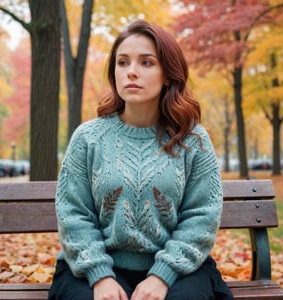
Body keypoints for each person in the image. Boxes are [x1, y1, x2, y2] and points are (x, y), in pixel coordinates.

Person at [48, 19, 233, 300]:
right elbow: (74, 214)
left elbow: (201, 216)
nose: (131, 72)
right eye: (123, 63)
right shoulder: (88, 138)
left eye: (146, 63)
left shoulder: (192, 140)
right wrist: (100, 277)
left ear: (168, 74)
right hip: (93, 268)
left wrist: (162, 276)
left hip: (179, 269)